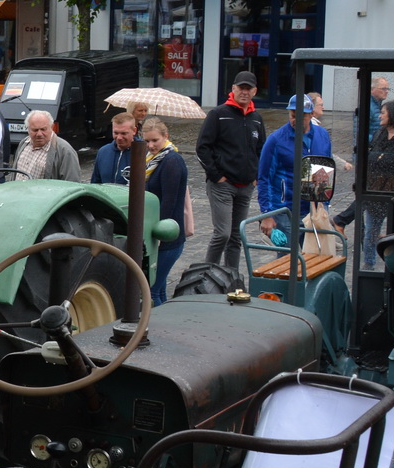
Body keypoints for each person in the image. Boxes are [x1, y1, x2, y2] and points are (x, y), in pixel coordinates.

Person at [333, 100, 394, 268]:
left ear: (393, 115)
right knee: (371, 233)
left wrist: (382, 158)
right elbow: (370, 157)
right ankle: (368, 265)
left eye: (383, 112)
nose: (380, 115)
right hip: (376, 190)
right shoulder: (380, 133)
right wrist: (383, 158)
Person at [196, 71, 267, 272]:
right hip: (222, 186)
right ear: (233, 89)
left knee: (236, 237)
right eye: (240, 88)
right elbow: (202, 148)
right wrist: (217, 176)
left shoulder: (257, 118)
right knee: (222, 234)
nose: (244, 92)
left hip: (245, 187)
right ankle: (207, 274)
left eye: (248, 88)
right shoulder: (218, 114)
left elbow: (262, 150)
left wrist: (255, 177)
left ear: (254, 91)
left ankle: (231, 278)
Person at [257, 95, 335, 241]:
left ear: (311, 114)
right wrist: (267, 214)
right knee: (287, 259)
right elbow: (264, 178)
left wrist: (324, 203)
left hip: (313, 208)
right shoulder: (276, 140)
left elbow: (326, 169)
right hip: (285, 209)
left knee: (312, 258)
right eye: (293, 115)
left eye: (302, 116)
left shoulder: (322, 135)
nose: (296, 120)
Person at [140, 118, 189, 305]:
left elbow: (169, 201)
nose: (150, 146)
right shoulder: (152, 161)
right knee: (158, 289)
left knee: (151, 291)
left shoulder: (171, 161)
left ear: (165, 137)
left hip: (167, 237)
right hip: (161, 235)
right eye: (147, 141)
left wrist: (158, 234)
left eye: (155, 141)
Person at [15, 110, 80, 181]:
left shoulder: (65, 151)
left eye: (43, 129)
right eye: (35, 130)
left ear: (52, 127)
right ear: (28, 129)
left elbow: (72, 184)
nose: (39, 134)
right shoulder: (24, 143)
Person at [91, 114, 137, 185]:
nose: (119, 137)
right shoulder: (103, 152)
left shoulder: (142, 154)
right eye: (116, 133)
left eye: (123, 133)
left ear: (134, 131)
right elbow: (95, 183)